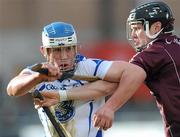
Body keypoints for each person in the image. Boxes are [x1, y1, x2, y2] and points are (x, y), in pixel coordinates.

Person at [7, 22, 144, 137]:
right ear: (44, 51)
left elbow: (136, 73)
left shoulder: (89, 67)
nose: (64, 56)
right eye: (56, 50)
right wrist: (38, 77)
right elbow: (12, 89)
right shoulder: (37, 72)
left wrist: (109, 108)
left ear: (76, 49)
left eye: (68, 49)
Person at [93, 1, 180, 137]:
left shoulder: (156, 51)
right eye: (132, 29)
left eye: (138, 28)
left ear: (156, 27)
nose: (133, 34)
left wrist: (109, 107)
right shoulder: (173, 45)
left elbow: (113, 81)